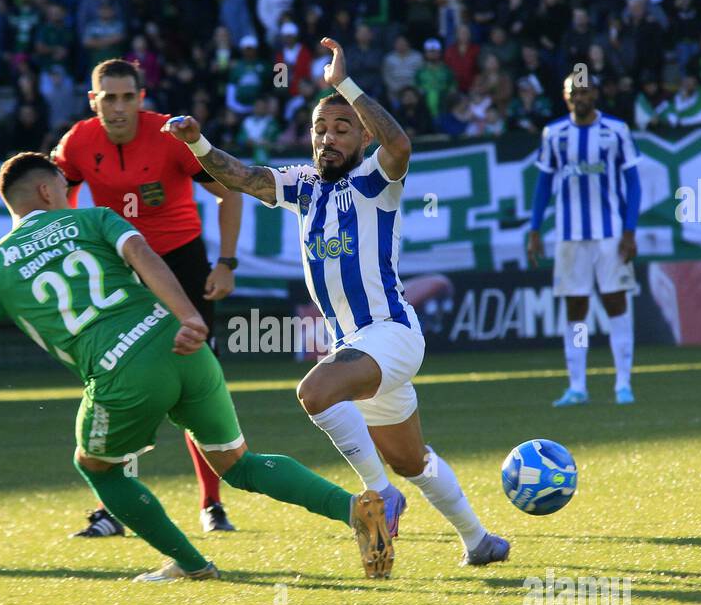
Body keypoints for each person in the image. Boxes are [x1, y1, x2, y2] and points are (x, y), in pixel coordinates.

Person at [0, 152, 393, 581]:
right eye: (65, 184)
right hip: (181, 346)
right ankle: (353, 508)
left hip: (120, 369)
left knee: (98, 467)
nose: (71, 189)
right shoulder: (93, 220)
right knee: (237, 463)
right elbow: (144, 255)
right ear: (45, 192)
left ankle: (191, 565)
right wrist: (189, 315)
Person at [161, 37, 510, 568]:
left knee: (315, 391)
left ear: (362, 136)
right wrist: (199, 144)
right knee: (412, 460)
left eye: (342, 128)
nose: (328, 137)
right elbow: (244, 177)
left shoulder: (374, 178)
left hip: (391, 332)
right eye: (320, 129)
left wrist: (343, 85)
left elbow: (400, 144)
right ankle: (479, 541)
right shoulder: (304, 186)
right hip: (359, 348)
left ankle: (377, 497)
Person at [51, 58, 244, 537]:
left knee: (194, 384)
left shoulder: (169, 136)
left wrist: (226, 264)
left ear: (141, 98)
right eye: (107, 98)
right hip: (125, 272)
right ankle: (116, 511)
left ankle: (212, 505)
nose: (117, 108)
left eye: (126, 97)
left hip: (183, 267)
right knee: (125, 386)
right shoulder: (77, 142)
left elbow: (231, 193)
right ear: (92, 101)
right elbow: (52, 195)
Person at [526, 74, 642, 406]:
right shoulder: (554, 134)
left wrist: (630, 230)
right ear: (565, 97)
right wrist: (535, 230)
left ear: (596, 94)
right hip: (569, 236)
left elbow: (632, 183)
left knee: (616, 303)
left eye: (585, 90)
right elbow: (544, 185)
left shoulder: (616, 131)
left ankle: (623, 383)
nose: (580, 96)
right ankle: (577, 385)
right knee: (576, 309)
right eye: (573, 92)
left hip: (611, 235)